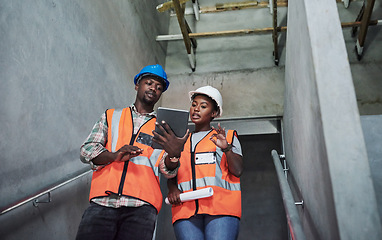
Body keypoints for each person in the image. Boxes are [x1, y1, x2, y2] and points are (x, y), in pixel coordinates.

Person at [76, 64, 186, 240]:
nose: (153, 88)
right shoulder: (111, 116)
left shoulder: (163, 128)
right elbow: (86, 151)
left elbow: (168, 170)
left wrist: (174, 155)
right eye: (149, 83)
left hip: (141, 208)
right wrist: (113, 155)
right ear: (137, 85)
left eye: (159, 87)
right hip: (103, 203)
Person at [153, 86, 244, 240]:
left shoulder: (227, 136)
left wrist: (227, 149)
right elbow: (171, 172)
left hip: (221, 209)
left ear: (214, 113)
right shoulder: (180, 140)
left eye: (203, 106)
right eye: (194, 105)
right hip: (185, 210)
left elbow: (238, 170)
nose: (196, 109)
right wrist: (173, 188)